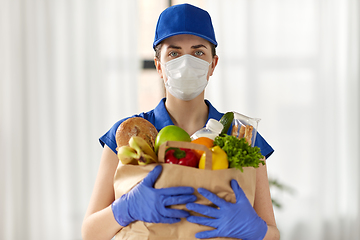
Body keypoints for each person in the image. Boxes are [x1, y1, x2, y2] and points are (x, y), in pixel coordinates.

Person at [82, 3, 280, 240]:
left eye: (198, 52)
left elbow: (272, 233)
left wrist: (254, 229)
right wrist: (125, 209)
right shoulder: (130, 135)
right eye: (174, 53)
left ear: (212, 64)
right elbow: (90, 233)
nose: (186, 63)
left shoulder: (241, 136)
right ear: (159, 65)